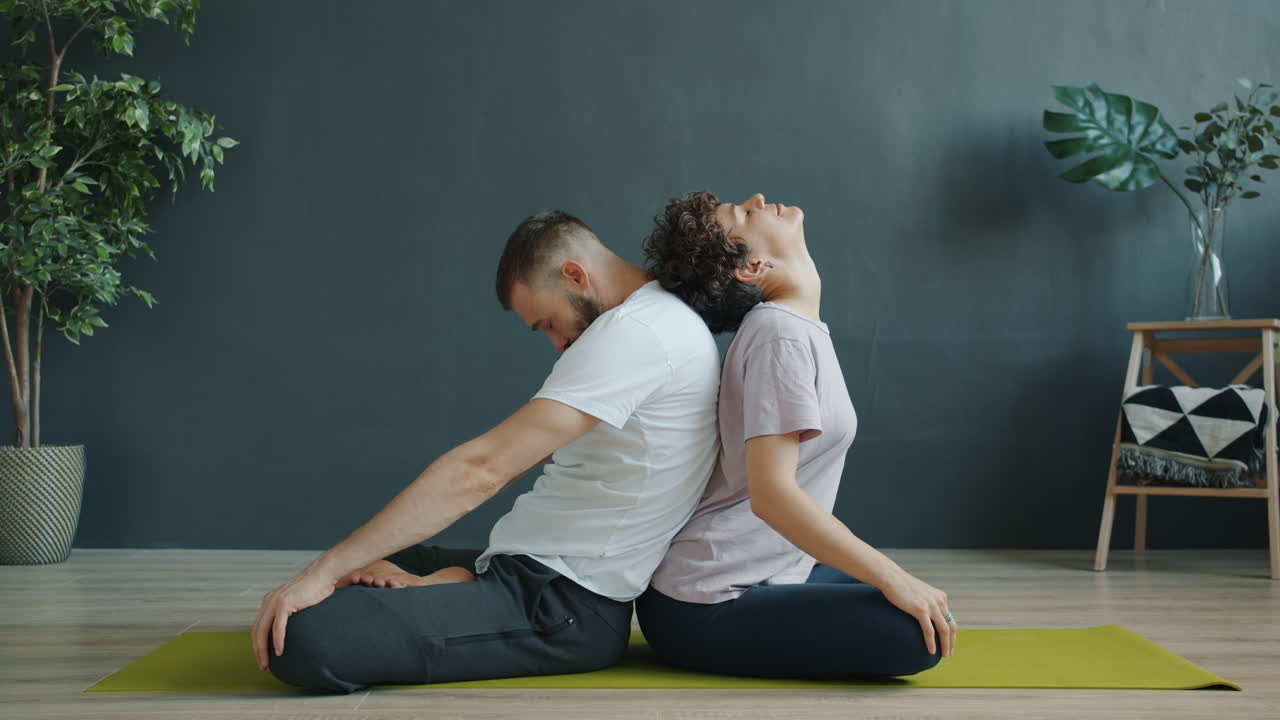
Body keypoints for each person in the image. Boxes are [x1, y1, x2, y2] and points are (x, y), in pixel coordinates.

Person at [252, 210, 721, 693]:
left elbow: (482, 470)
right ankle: (461, 584)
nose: (557, 343)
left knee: (305, 636)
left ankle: (456, 589)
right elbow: (517, 458)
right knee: (376, 556)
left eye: (549, 323)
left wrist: (321, 573)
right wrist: (333, 569)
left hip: (564, 605)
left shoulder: (638, 333)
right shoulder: (647, 322)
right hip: (528, 567)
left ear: (575, 275)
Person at [637, 191, 954, 679]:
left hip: (772, 571)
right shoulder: (779, 336)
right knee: (916, 636)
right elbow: (773, 496)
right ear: (753, 267)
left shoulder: (794, 328)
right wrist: (894, 577)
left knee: (931, 612)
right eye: (745, 214)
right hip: (708, 600)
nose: (759, 199)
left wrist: (896, 581)